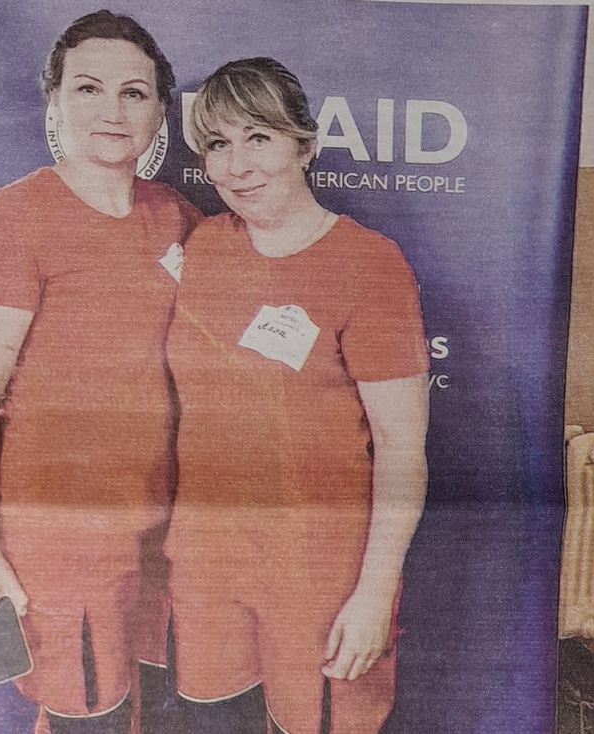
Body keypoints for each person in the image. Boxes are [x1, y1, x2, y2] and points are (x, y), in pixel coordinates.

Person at [0, 10, 201, 734]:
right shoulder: (10, 219)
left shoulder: (179, 217)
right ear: (54, 103)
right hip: (62, 539)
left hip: (166, 530)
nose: (112, 111)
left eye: (133, 93)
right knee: (89, 713)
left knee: (159, 710)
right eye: (88, 88)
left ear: (159, 113)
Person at [164, 58, 430, 734]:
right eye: (218, 144)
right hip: (207, 564)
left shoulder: (370, 265)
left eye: (259, 137)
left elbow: (402, 448)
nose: (237, 166)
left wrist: (374, 594)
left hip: (319, 572)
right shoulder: (202, 247)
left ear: (305, 146)